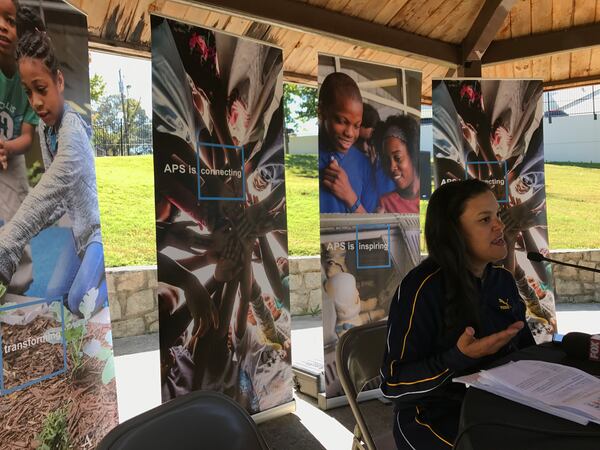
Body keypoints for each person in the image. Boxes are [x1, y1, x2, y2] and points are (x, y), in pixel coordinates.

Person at [380, 179, 535, 449]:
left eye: (497, 215)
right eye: (485, 220)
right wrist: (460, 357)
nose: (500, 225)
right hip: (432, 417)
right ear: (454, 232)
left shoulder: (502, 281)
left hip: (495, 407)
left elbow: (526, 353)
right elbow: (394, 385)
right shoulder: (422, 288)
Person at [0, 22, 107, 314]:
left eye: (41, 89)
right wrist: (23, 229)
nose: (35, 102)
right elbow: (56, 200)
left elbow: (52, 186)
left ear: (59, 81)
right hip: (78, 236)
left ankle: (103, 286)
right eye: (27, 92)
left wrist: (10, 239)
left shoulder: (72, 132)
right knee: (54, 299)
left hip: (97, 233)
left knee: (79, 302)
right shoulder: (46, 133)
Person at [0, 0, 40, 295]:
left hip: (10, 154)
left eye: (10, 20)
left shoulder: (26, 83)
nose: (3, 25)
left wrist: (6, 146)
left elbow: (27, 138)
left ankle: (19, 284)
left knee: (20, 216)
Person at [318, 72, 376, 213]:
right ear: (322, 112)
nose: (350, 133)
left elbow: (372, 226)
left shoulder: (364, 165)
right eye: (342, 121)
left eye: (356, 126)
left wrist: (350, 197)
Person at [375, 115, 420, 214]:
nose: (391, 167)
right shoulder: (385, 204)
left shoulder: (433, 194)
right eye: (387, 160)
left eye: (398, 158)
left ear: (413, 155)